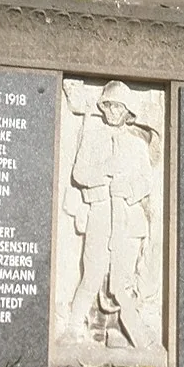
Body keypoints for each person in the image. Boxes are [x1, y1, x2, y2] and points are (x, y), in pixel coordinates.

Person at [63, 80, 162, 346]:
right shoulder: (93, 138)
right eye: (108, 105)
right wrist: (105, 171)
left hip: (128, 223)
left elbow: (146, 182)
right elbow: (79, 173)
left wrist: (127, 189)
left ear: (127, 110)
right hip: (100, 216)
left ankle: (134, 333)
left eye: (118, 106)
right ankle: (73, 328)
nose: (112, 111)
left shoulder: (136, 145)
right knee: (92, 274)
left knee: (121, 284)